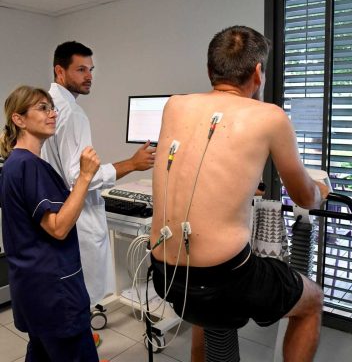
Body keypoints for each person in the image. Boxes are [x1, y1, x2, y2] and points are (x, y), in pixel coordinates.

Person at [150, 26, 330, 362]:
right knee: (312, 301)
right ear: (258, 72)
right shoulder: (270, 116)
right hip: (224, 280)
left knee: (205, 313)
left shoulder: (174, 105)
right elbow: (305, 197)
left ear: (210, 70)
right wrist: (321, 191)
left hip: (166, 274)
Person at [41, 41, 156, 305]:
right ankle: (83, 342)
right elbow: (80, 176)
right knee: (85, 295)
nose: (89, 76)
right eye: (81, 69)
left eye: (91, 69)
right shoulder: (72, 113)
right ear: (60, 71)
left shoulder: (46, 105)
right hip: (77, 217)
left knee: (70, 290)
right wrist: (131, 164)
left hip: (58, 211)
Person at [0, 85, 107, 362]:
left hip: (32, 290)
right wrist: (84, 176)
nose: (52, 114)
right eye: (42, 108)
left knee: (42, 354)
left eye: (52, 108)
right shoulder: (29, 166)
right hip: (55, 293)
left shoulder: (15, 163)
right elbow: (58, 228)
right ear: (19, 119)